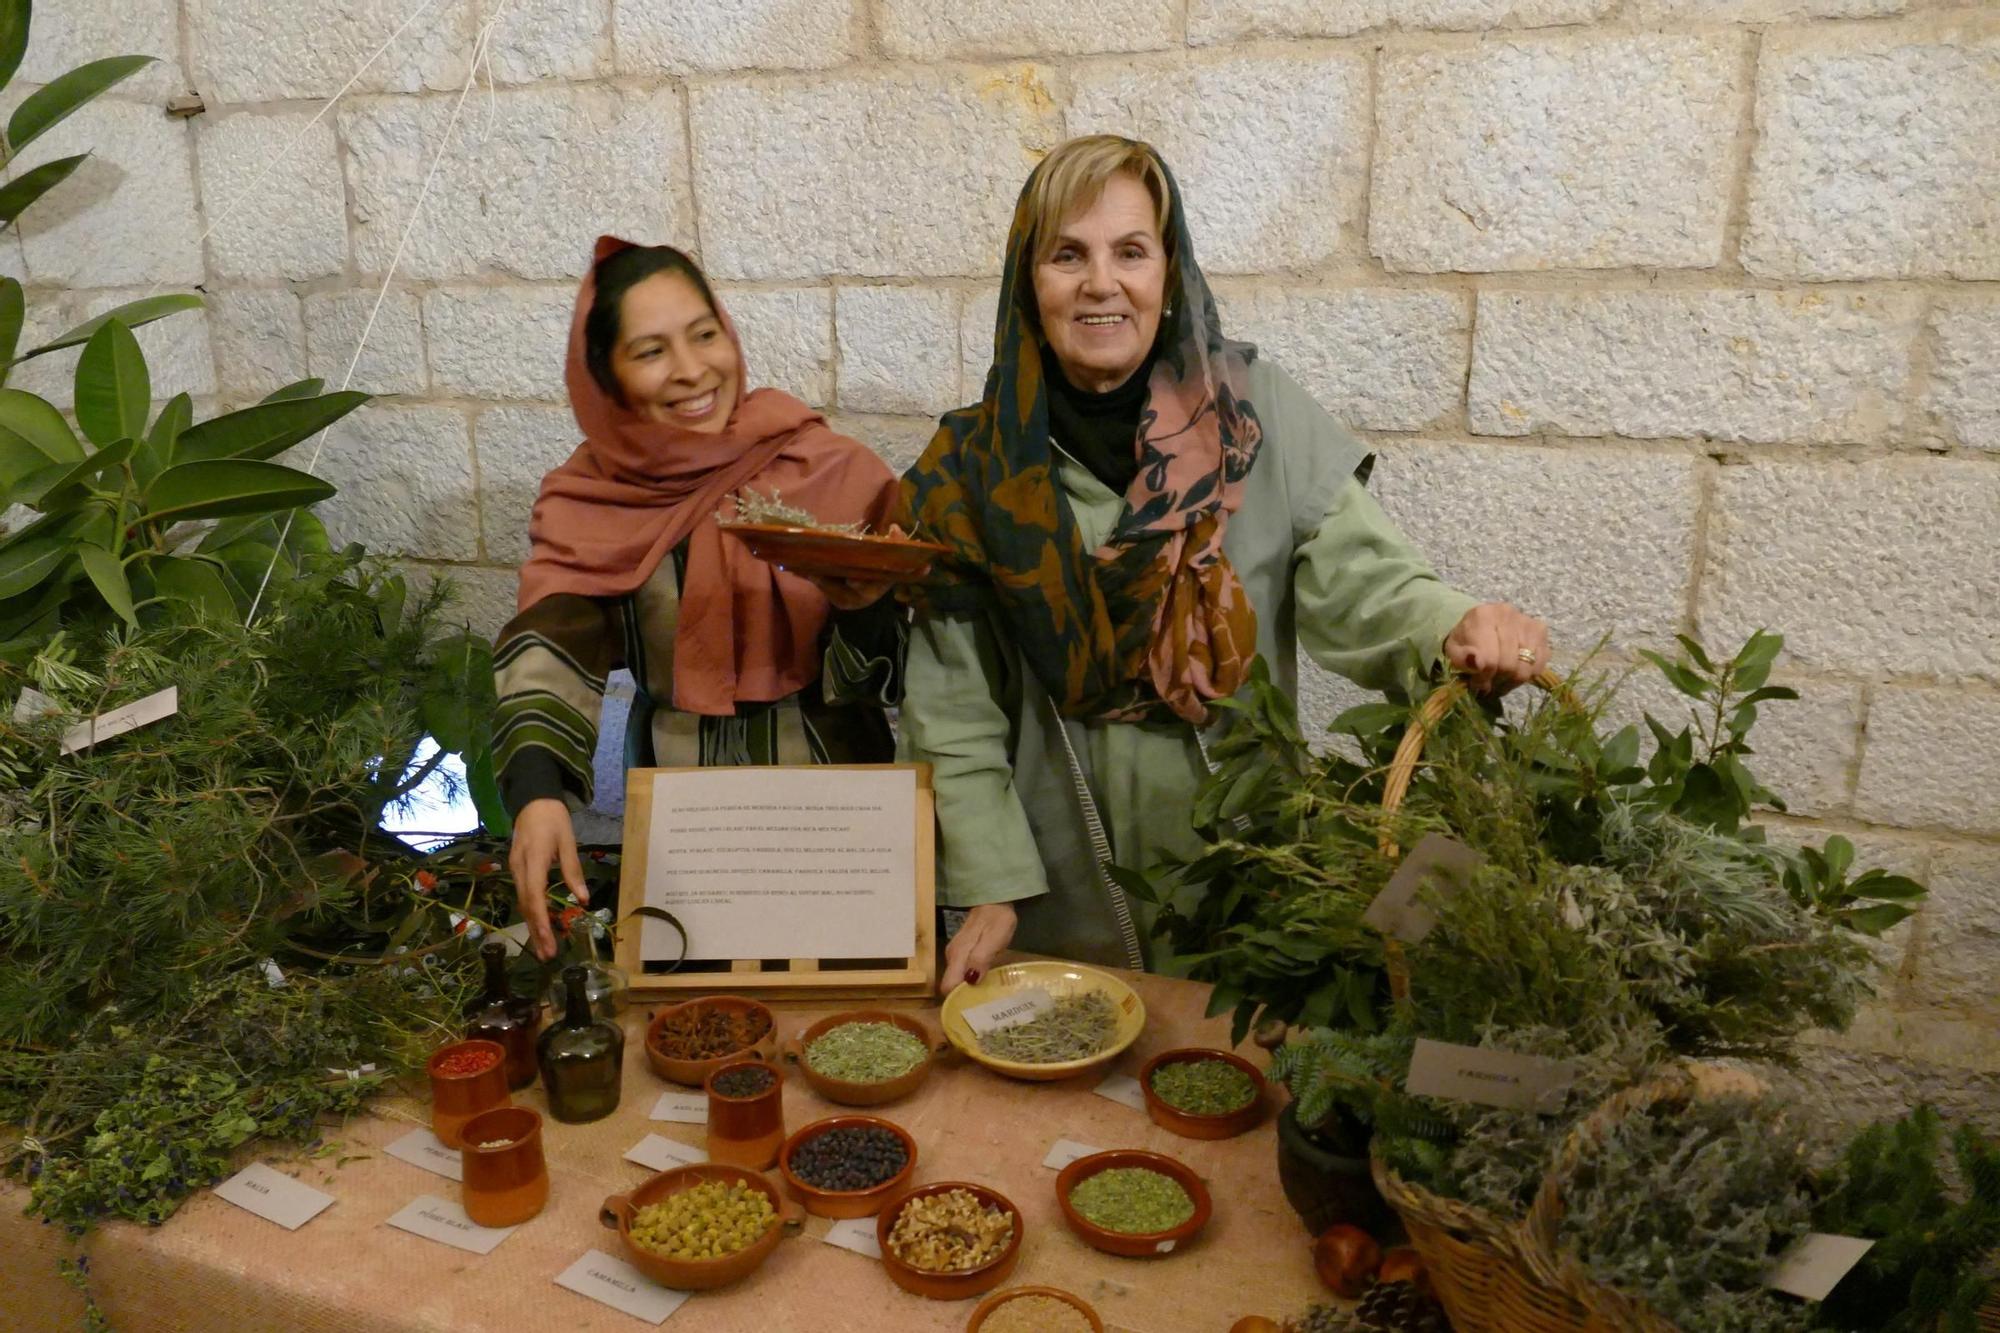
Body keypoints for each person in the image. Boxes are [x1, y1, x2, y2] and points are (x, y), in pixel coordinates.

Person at [898, 136, 1550, 989]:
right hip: (1051, 895)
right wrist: (987, 886)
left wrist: (1452, 626)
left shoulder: (1254, 417)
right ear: (1029, 280)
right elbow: (952, 708)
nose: (1102, 283)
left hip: (1247, 870)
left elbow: (1366, 577)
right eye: (1068, 255)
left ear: (1169, 271)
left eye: (1131, 251)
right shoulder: (970, 469)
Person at [495, 237, 904, 960]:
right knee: (697, 1017)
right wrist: (536, 789)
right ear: (606, 375)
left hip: (838, 812)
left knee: (849, 1015)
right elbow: (557, 639)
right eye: (650, 351)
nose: (691, 370)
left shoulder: (825, 467)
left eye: (704, 334)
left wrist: (865, 604)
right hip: (687, 827)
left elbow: (907, 663)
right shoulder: (592, 503)